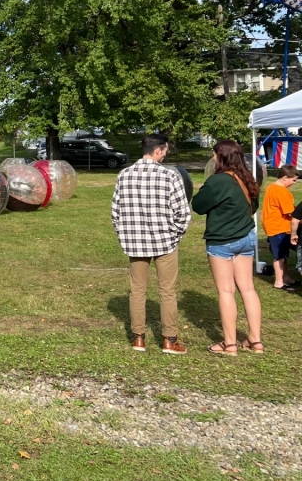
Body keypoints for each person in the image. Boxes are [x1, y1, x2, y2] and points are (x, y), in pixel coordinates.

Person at [111, 133, 191, 354]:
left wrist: (124, 235)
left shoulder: (124, 175)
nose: (165, 155)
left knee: (137, 290)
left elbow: (115, 212)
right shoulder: (169, 176)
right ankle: (169, 339)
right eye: (165, 151)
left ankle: (138, 338)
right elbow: (183, 213)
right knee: (167, 291)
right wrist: (176, 236)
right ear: (158, 150)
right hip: (165, 241)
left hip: (135, 242)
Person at [192, 140, 262, 355]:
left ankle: (230, 344)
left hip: (222, 241)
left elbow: (198, 205)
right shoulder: (247, 178)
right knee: (248, 288)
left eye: (214, 154)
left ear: (220, 156)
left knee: (226, 291)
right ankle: (255, 340)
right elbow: (254, 205)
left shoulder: (218, 181)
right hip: (247, 237)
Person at [262, 165, 299, 290]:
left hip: (272, 226)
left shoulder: (271, 187)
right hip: (279, 227)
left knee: (283, 254)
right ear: (285, 178)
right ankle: (279, 282)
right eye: (293, 180)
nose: (294, 183)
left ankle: (286, 277)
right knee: (279, 257)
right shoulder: (282, 192)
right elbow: (291, 213)